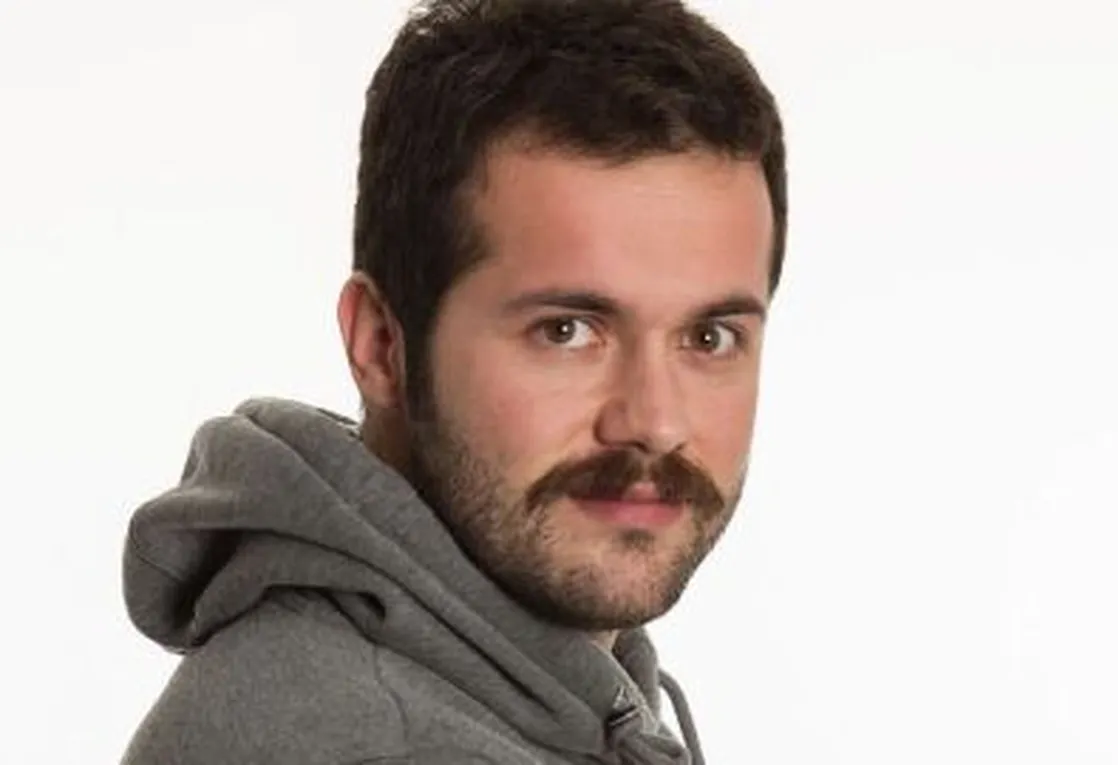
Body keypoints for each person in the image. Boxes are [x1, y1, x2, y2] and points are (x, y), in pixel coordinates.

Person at [118, 1, 786, 763]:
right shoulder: (360, 741)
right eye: (566, 331)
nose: (656, 420)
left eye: (709, 337)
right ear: (382, 345)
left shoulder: (547, 691)